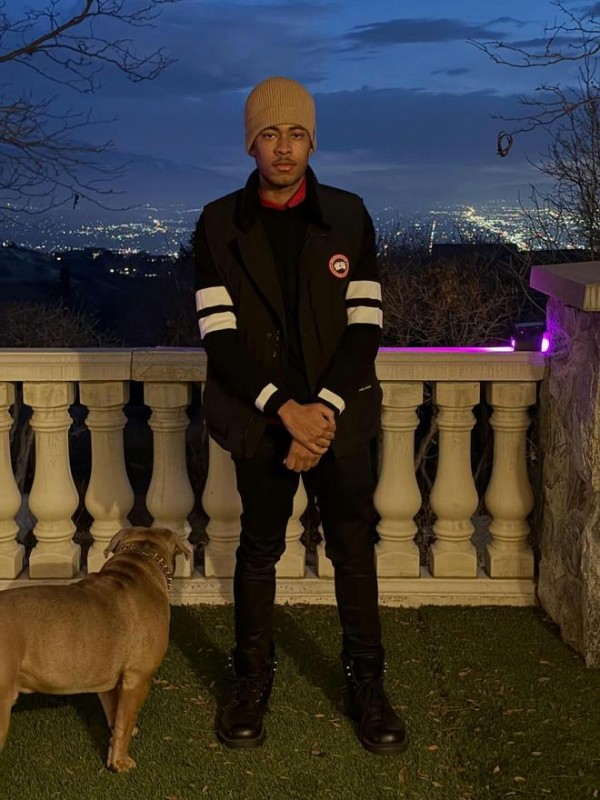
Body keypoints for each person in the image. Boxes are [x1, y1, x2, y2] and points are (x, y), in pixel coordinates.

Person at [194, 76, 407, 756]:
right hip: (261, 420)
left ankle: (367, 686)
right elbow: (220, 338)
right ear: (250, 144)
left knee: (352, 547)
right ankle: (251, 682)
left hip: (339, 418)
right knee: (259, 548)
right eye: (269, 134)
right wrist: (286, 410)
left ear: (312, 141)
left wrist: (322, 414)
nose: (283, 148)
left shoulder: (348, 215)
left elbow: (366, 326)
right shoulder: (218, 224)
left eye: (295, 133)